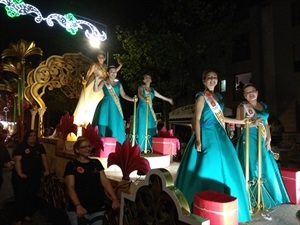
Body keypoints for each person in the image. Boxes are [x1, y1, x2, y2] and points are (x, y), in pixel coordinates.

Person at [175, 69, 251, 223]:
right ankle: (203, 205)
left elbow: (222, 118)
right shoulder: (202, 97)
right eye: (209, 78)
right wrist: (198, 139)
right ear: (204, 81)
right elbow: (196, 119)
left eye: (215, 77)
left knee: (228, 167)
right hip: (206, 134)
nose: (212, 80)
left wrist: (244, 122)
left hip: (220, 135)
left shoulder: (219, 98)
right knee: (208, 166)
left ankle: (228, 205)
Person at [235, 83, 290, 209]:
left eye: (252, 91)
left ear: (257, 92)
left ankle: (270, 194)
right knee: (253, 165)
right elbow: (239, 125)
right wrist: (253, 123)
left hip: (262, 138)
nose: (250, 93)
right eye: (247, 92)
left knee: (265, 164)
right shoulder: (242, 107)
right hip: (249, 139)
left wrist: (269, 139)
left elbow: (265, 123)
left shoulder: (263, 106)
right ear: (244, 96)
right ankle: (254, 198)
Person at [64, 137, 120, 225]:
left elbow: (105, 182)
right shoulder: (72, 165)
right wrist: (78, 206)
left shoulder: (95, 163)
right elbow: (70, 187)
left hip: (97, 207)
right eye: (84, 147)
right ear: (77, 150)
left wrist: (114, 198)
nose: (88, 149)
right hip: (79, 208)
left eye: (89, 146)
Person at [73, 52, 123, 127]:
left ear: (104, 58)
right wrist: (85, 80)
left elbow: (113, 72)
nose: (101, 59)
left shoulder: (106, 66)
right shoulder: (94, 65)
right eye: (99, 57)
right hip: (95, 83)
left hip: (103, 85)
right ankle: (87, 121)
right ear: (97, 58)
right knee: (92, 102)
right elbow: (89, 73)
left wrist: (120, 65)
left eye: (102, 57)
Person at [11, 129, 50, 225]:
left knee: (31, 196)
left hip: (34, 176)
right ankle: (19, 218)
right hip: (20, 178)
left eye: (34, 135)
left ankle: (27, 214)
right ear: (26, 137)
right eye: (30, 135)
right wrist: (20, 173)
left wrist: (47, 170)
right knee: (20, 197)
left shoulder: (39, 147)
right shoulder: (21, 146)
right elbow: (17, 160)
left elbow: (44, 158)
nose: (33, 137)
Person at [92, 65, 137, 144]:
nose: (113, 73)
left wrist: (132, 100)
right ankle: (102, 143)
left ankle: (117, 143)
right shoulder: (104, 82)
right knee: (104, 122)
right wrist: (96, 80)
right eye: (111, 72)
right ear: (108, 73)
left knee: (115, 123)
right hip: (105, 106)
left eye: (115, 72)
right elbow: (96, 90)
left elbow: (123, 95)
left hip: (116, 107)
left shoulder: (119, 84)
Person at [135, 74, 173, 152]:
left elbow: (160, 96)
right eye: (146, 78)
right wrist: (144, 98)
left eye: (149, 78)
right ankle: (140, 147)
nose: (148, 79)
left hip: (150, 110)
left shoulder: (152, 90)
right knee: (142, 126)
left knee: (151, 125)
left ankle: (149, 146)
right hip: (142, 109)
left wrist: (168, 99)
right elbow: (140, 94)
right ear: (144, 80)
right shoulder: (141, 87)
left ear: (151, 80)